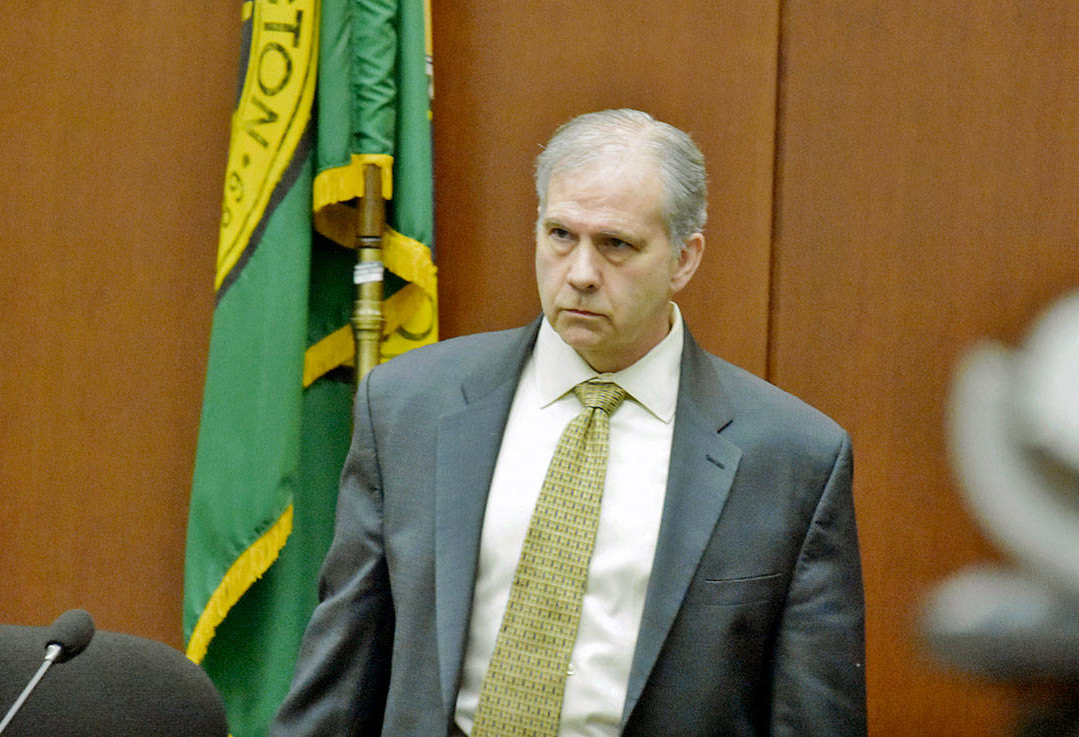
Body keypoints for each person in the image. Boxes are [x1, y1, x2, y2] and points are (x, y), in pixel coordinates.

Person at [269, 109, 865, 737]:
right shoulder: (409, 405)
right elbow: (340, 677)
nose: (580, 273)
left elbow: (816, 717)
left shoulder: (793, 459)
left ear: (684, 260)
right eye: (560, 235)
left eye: (616, 244)